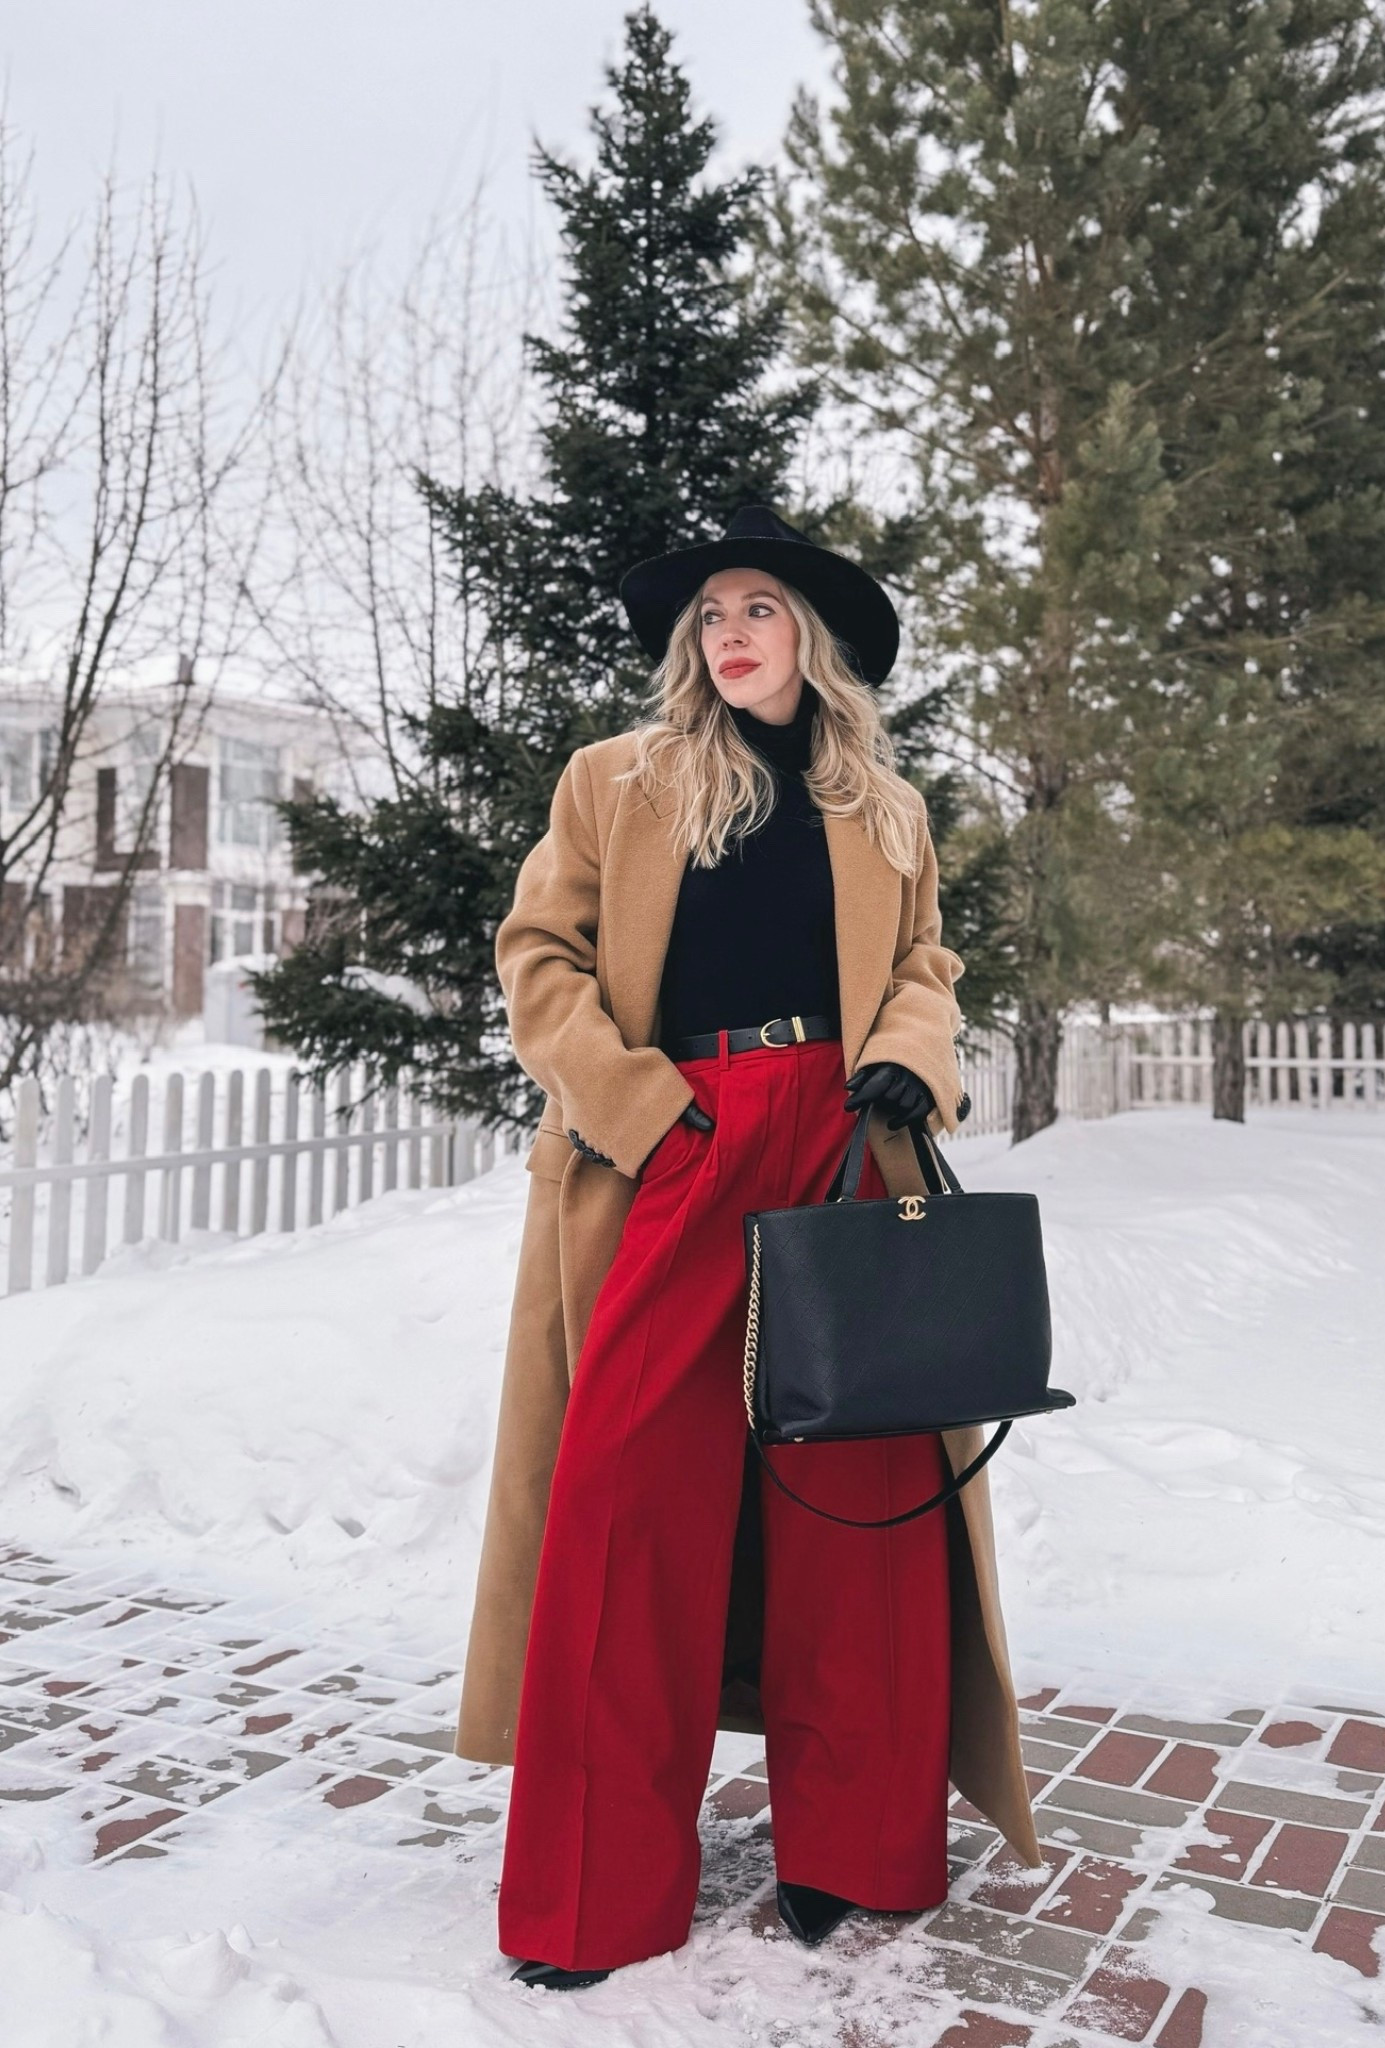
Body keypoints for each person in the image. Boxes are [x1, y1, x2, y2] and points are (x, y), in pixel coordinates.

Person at [454, 506, 1042, 1990]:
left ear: (810, 643)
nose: (729, 630)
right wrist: (643, 1113)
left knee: (858, 1504)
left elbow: (926, 964)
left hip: (846, 1145)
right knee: (626, 1499)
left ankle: (853, 1851)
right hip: (676, 1143)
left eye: (758, 607)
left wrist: (916, 1051)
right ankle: (593, 1893)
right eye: (710, 609)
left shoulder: (884, 804)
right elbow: (540, 958)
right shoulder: (616, 781)